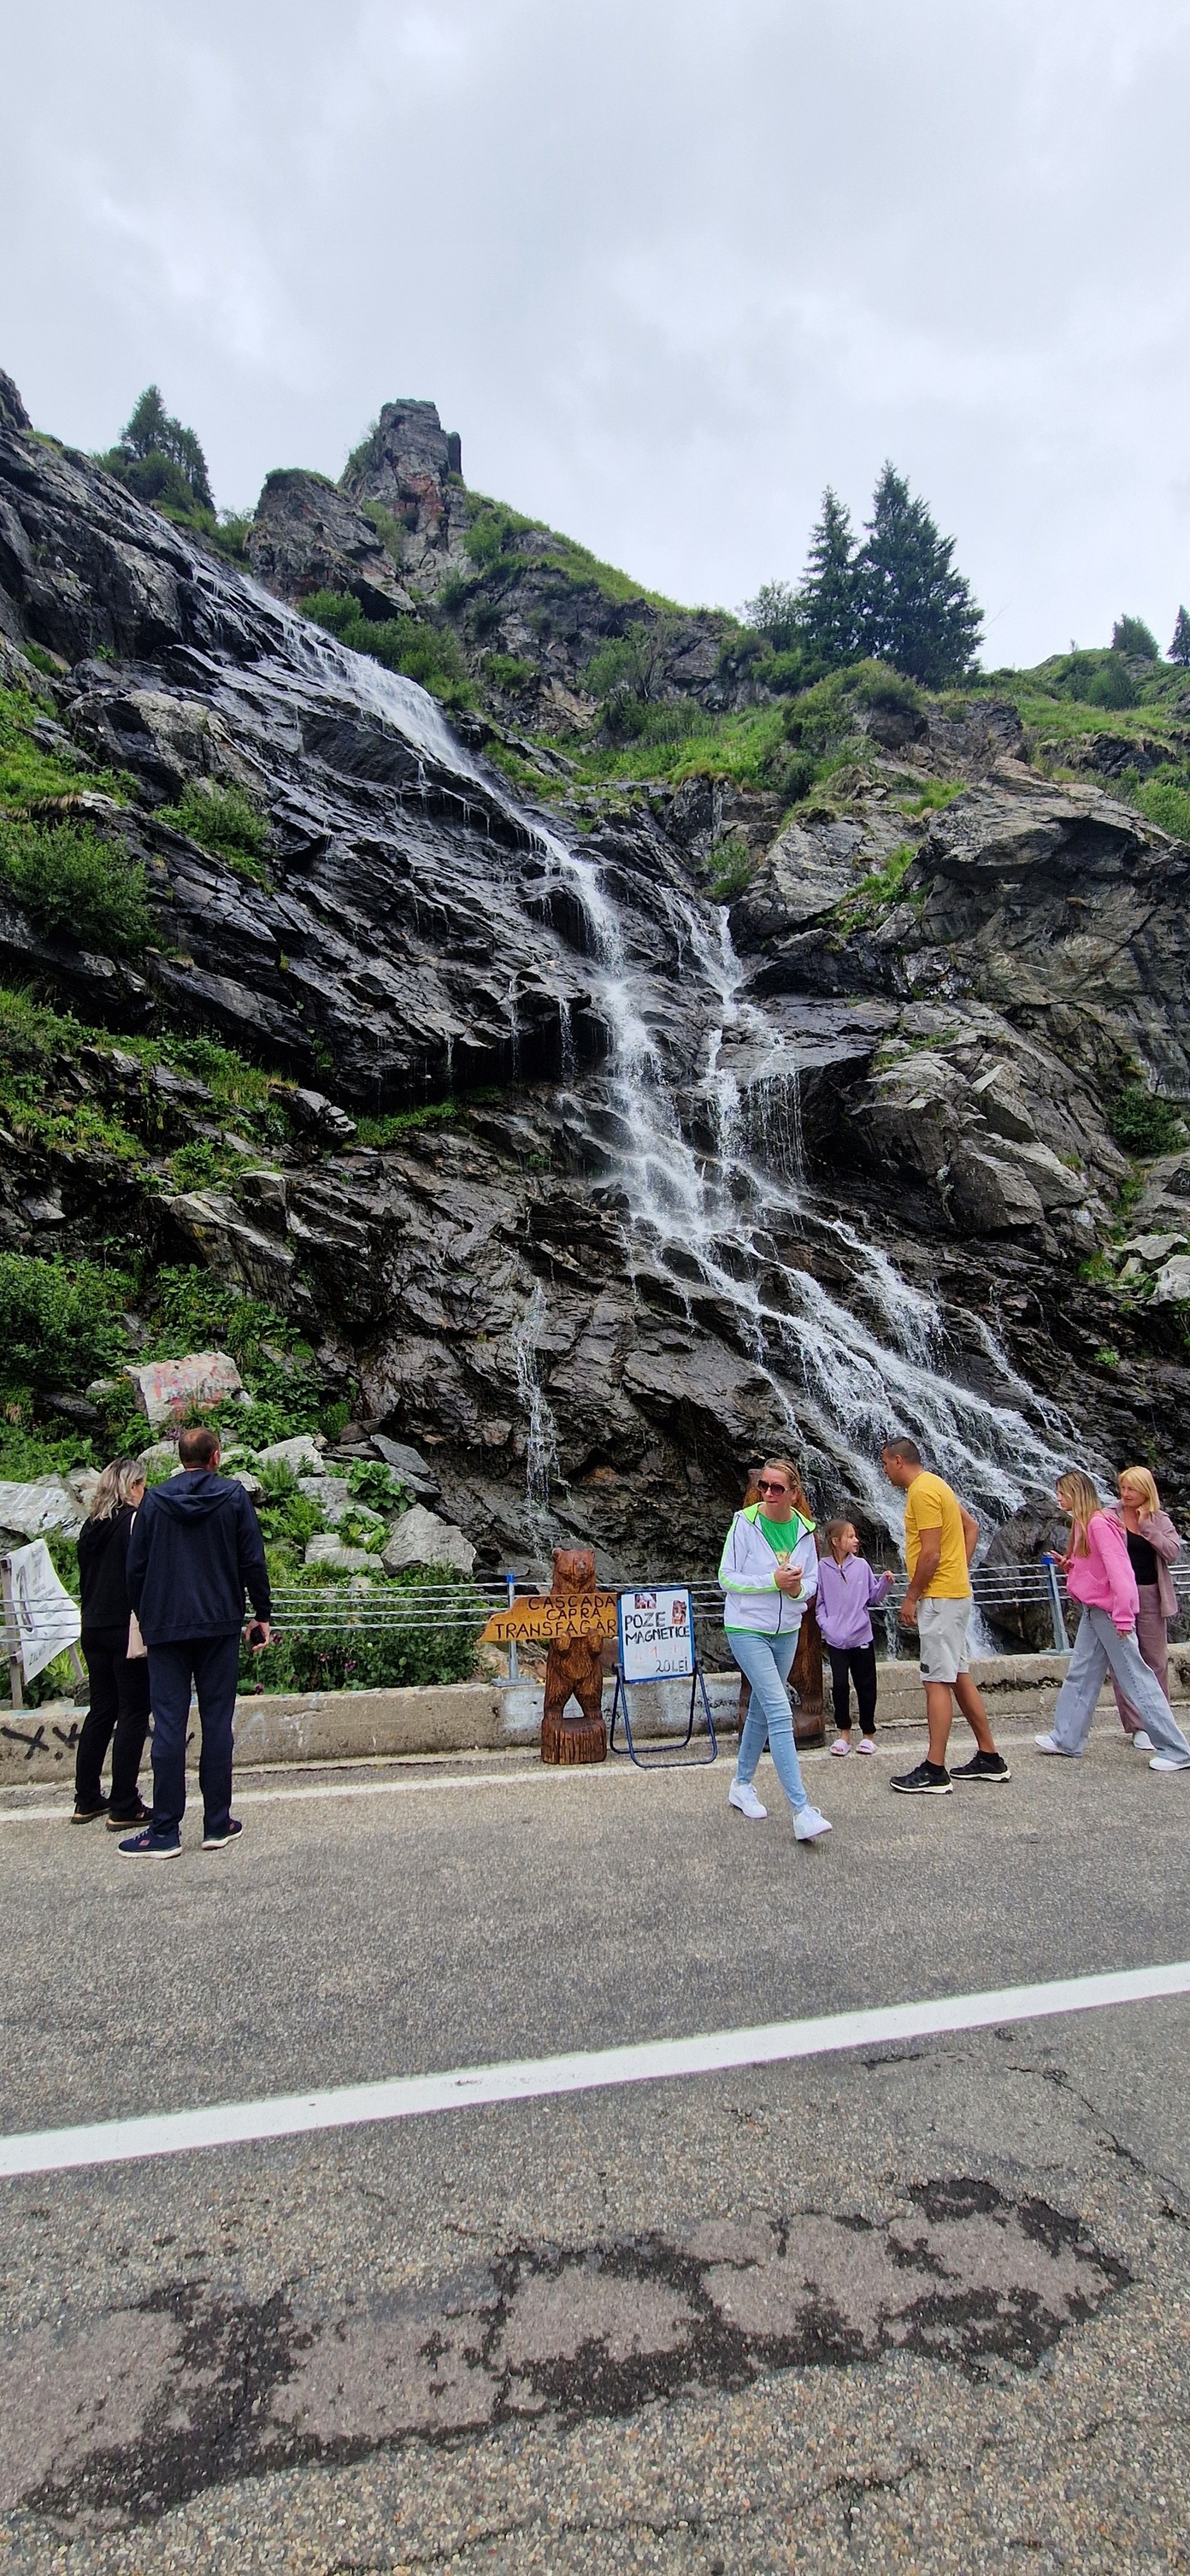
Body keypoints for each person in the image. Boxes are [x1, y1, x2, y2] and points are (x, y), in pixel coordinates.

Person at [120, 1424, 272, 1855]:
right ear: (215, 1457)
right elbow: (253, 1560)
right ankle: (217, 1823)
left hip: (166, 1627)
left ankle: (165, 1831)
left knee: (168, 1725)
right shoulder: (234, 1496)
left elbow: (135, 1567)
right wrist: (262, 1614)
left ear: (180, 1458)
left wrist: (146, 1614)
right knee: (217, 1723)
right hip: (219, 1624)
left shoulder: (154, 1501)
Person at [880, 1437, 1010, 1793]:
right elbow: (971, 1527)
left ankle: (935, 1769)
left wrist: (911, 1597)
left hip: (938, 1598)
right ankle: (990, 1757)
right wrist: (959, 1570)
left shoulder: (921, 1492)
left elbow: (931, 1553)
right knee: (957, 1675)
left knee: (935, 1680)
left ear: (898, 1461)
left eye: (886, 1463)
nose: (885, 1471)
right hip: (954, 1592)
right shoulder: (937, 1484)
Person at [1035, 1471, 1190, 1770]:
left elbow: (1121, 1572)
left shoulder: (1097, 1524)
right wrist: (1070, 1567)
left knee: (1136, 1677)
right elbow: (1096, 1569)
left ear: (1076, 1494)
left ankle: (1176, 1751)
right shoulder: (1087, 1523)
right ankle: (1066, 1739)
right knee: (1081, 1673)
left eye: (1062, 1492)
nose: (1058, 1498)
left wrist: (1123, 1616)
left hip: (1107, 1611)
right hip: (1094, 1609)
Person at [718, 1455, 832, 1842]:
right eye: (763, 1486)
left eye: (777, 1488)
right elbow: (727, 1578)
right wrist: (773, 1581)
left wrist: (797, 1589)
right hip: (746, 1627)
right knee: (780, 1711)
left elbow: (812, 1582)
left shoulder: (805, 1530)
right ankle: (801, 1810)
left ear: (793, 1493)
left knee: (762, 1712)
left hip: (787, 1631)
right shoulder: (744, 1522)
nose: (768, 1493)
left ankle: (741, 1784)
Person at [72, 1459, 151, 1829]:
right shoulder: (133, 1522)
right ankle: (124, 1803)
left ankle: (86, 1797)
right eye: (142, 1484)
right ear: (131, 1486)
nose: (145, 1491)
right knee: (133, 1711)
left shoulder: (90, 1526)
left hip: (93, 1625)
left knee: (101, 1709)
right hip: (125, 1627)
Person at [1105, 1466, 1182, 1750]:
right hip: (1119, 1596)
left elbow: (1172, 1553)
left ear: (1146, 1491)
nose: (1125, 1494)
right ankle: (1137, 1726)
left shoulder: (1160, 1519)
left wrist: (1147, 1526)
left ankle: (1159, 1722)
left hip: (1151, 1594)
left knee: (1155, 1661)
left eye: (1132, 1489)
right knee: (1125, 1661)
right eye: (1123, 1488)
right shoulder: (1109, 1515)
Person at [816, 1519, 893, 1755]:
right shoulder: (822, 1568)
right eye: (850, 1537)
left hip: (862, 1638)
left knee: (866, 1685)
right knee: (839, 1686)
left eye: (855, 1536)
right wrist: (827, 1625)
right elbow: (819, 1602)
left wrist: (885, 1584)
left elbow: (873, 1597)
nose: (856, 1540)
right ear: (835, 1541)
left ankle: (868, 1734)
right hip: (836, 1640)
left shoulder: (861, 1566)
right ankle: (844, 1734)